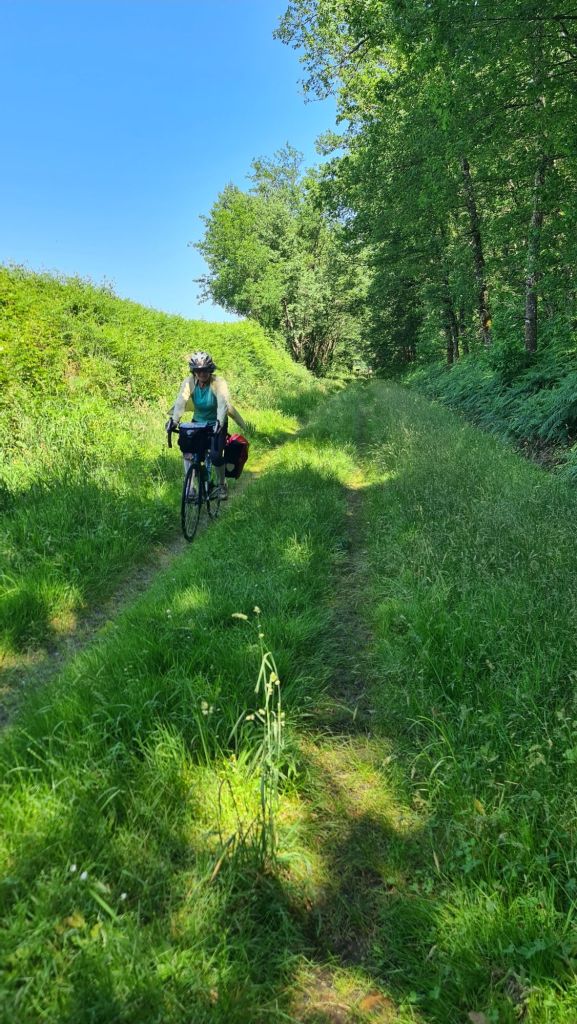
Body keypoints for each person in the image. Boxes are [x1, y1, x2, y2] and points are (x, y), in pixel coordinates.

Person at [166, 351, 248, 500]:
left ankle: (222, 485)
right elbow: (180, 402)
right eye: (198, 370)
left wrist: (219, 423)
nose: (201, 373)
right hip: (198, 422)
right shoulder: (189, 382)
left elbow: (223, 405)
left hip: (217, 422)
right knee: (188, 452)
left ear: (210, 369)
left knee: (216, 456)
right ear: (194, 371)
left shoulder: (218, 383)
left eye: (205, 369)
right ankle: (190, 488)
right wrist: (175, 420)